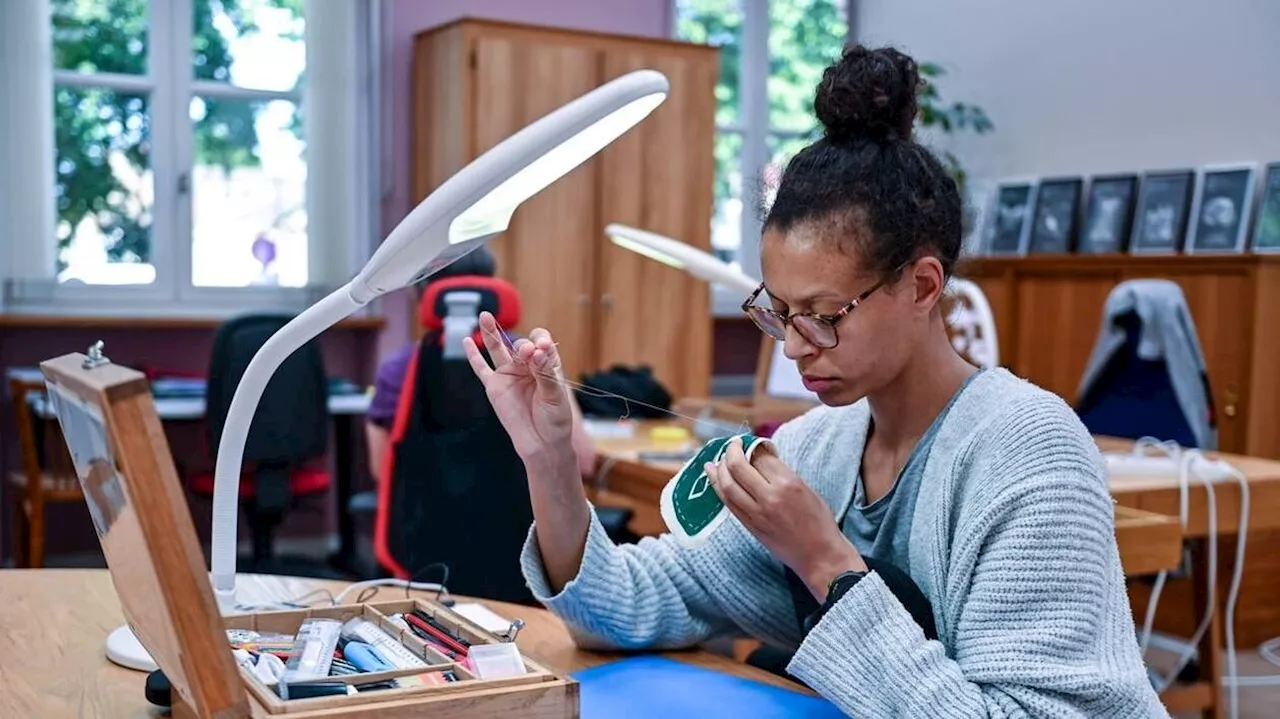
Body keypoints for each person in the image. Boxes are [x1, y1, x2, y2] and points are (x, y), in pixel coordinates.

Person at [463, 44, 1167, 717]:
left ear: (923, 285)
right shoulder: (819, 447)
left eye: (826, 315)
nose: (797, 345)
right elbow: (627, 608)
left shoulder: (1028, 449)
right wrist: (551, 459)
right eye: (780, 311)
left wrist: (825, 559)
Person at [365, 246, 596, 482]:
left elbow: (383, 472)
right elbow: (582, 461)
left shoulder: (396, 370)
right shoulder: (532, 359)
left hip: (423, 517)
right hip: (525, 518)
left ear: (424, 295)